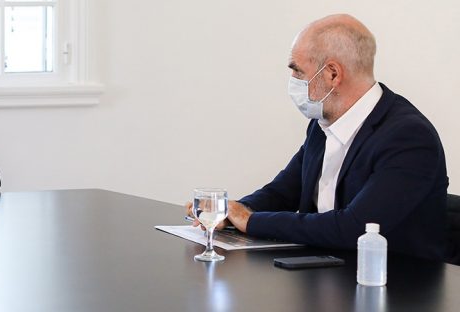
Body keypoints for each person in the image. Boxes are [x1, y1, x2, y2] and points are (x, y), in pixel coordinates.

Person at [187, 14, 449, 261]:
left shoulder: (409, 138)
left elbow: (355, 228)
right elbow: (283, 191)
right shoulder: (323, 122)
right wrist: (231, 213)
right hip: (327, 273)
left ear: (332, 74)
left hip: (398, 289)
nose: (292, 80)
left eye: (298, 71)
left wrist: (251, 220)